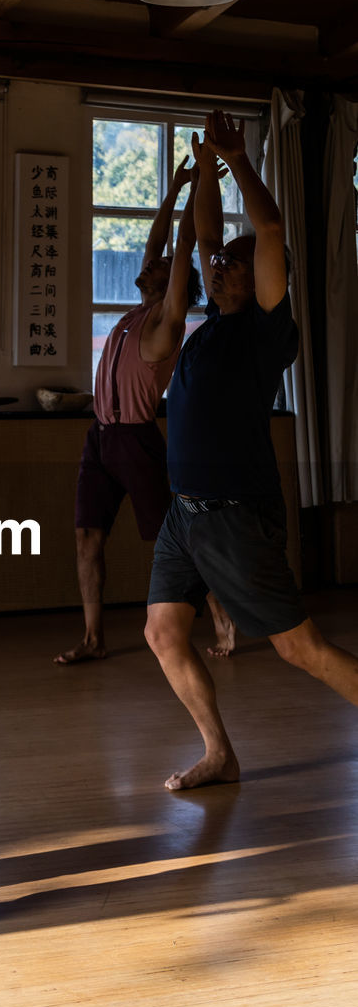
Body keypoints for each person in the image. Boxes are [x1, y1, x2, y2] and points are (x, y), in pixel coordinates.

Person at [145, 109, 358, 791]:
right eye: (215, 264)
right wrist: (203, 169)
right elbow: (209, 233)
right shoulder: (213, 321)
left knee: (298, 647)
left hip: (234, 513)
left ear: (263, 278)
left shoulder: (266, 329)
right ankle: (219, 753)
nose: (215, 266)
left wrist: (236, 160)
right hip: (187, 515)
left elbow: (265, 231)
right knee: (163, 632)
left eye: (228, 264)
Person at [54, 158, 235, 666]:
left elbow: (176, 252)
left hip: (136, 440)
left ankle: (221, 614)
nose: (146, 262)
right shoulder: (135, 315)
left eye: (154, 266)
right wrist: (175, 187)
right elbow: (159, 247)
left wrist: (198, 190)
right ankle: (94, 638)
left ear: (173, 283)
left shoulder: (166, 320)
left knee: (170, 538)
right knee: (87, 537)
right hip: (100, 439)